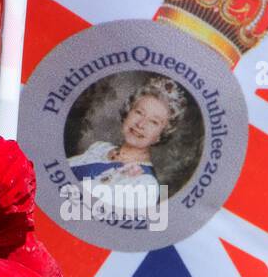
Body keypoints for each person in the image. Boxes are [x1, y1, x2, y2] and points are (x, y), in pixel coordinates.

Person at [66, 75, 188, 219]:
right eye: (139, 112)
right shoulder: (100, 148)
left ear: (161, 134)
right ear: (128, 111)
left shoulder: (145, 186)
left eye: (154, 122)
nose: (140, 124)